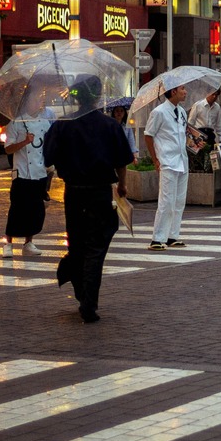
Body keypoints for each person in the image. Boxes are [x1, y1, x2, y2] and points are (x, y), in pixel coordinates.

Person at [42, 77, 132, 323]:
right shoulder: (109, 125)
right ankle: (88, 303)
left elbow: (47, 158)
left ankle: (83, 293)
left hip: (73, 193)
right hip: (100, 192)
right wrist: (122, 185)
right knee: (96, 247)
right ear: (98, 96)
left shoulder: (62, 125)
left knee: (78, 245)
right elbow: (121, 160)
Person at [143, 79, 191, 251]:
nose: (185, 92)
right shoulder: (159, 112)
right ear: (173, 92)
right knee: (166, 201)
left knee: (179, 201)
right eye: (182, 88)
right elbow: (148, 136)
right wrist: (155, 159)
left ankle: (173, 235)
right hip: (168, 161)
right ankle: (157, 238)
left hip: (182, 160)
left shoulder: (182, 112)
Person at [1, 107, 54, 257]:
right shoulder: (16, 123)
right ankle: (8, 243)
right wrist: (24, 142)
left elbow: (49, 145)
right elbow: (8, 149)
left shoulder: (45, 122)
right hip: (22, 172)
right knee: (17, 208)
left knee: (35, 209)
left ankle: (28, 242)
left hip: (40, 172)